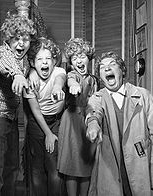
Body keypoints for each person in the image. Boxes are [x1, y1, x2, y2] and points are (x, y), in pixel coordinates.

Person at [85, 51, 153, 196]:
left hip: (141, 167)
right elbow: (93, 112)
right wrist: (93, 124)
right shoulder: (97, 98)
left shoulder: (143, 95)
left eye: (112, 64)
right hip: (111, 167)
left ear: (122, 70)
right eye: (102, 67)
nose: (107, 68)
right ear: (100, 76)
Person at [0, 10, 36, 196]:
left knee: (12, 166)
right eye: (16, 38)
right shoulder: (0, 53)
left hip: (10, 117)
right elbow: (6, 63)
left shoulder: (26, 61)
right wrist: (18, 75)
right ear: (9, 39)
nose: (21, 43)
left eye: (26, 39)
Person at [23, 37, 66, 196]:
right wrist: (48, 133)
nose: (45, 62)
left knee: (54, 167)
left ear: (54, 61)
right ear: (33, 63)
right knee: (37, 168)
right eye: (40, 59)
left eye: (48, 58)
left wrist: (57, 87)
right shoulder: (29, 82)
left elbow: (60, 79)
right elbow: (35, 111)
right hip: (37, 122)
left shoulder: (59, 72)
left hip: (56, 121)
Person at [57, 38, 99, 196]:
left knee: (86, 165)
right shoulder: (72, 74)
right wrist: (73, 85)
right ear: (70, 62)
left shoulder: (94, 80)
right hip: (72, 121)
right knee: (72, 165)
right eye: (74, 58)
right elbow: (70, 80)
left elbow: (95, 102)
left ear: (89, 57)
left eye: (82, 56)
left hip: (88, 120)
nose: (79, 60)